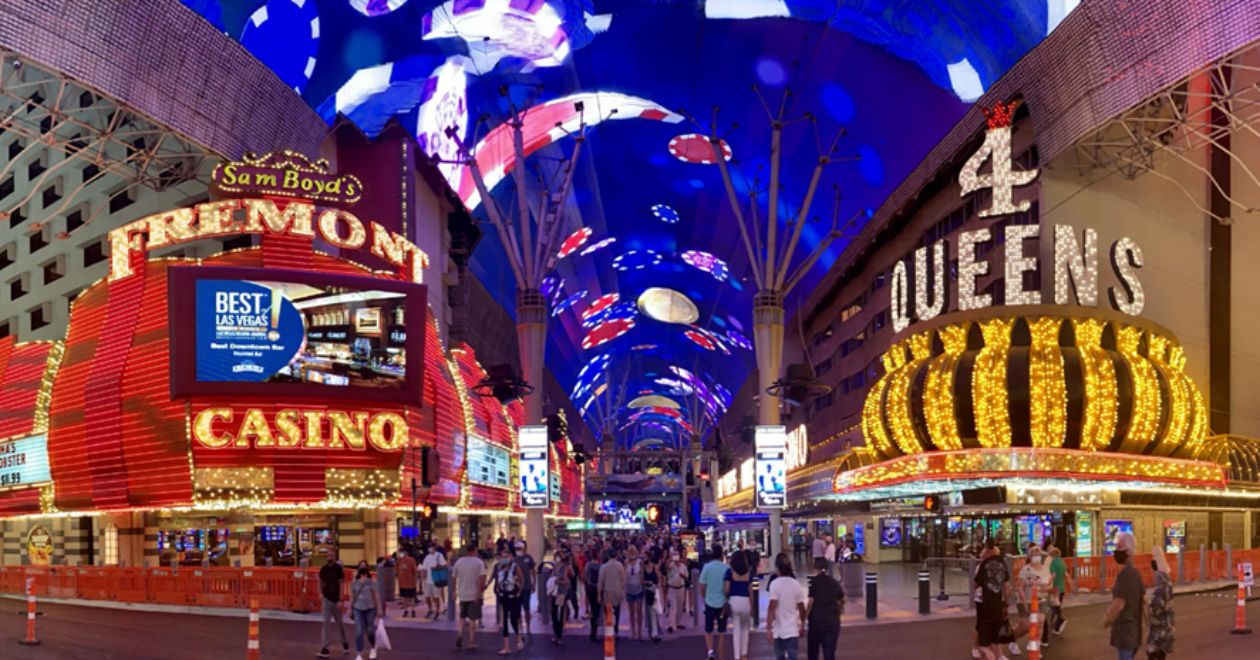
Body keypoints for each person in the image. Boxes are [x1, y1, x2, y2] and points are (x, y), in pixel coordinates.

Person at [1103, 531, 1144, 660]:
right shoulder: (1136, 574)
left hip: (1125, 632)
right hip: (1134, 633)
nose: (1116, 551)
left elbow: (1118, 604)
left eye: (1119, 548)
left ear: (1129, 551)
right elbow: (1144, 600)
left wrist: (1106, 620)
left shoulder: (1125, 575)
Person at [973, 540, 1013, 660]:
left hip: (984, 603)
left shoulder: (983, 565)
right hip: (997, 603)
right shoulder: (1001, 564)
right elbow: (1006, 586)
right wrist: (1006, 603)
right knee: (994, 631)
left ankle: (987, 651)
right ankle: (997, 654)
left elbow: (975, 584)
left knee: (984, 638)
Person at [766, 554, 806, 660]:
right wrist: (802, 625)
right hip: (792, 629)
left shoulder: (774, 584)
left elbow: (771, 607)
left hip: (778, 630)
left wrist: (769, 628)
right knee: (793, 656)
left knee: (779, 656)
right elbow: (801, 608)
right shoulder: (796, 584)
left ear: (777, 568)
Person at [489, 546, 526, 655]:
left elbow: (522, 581)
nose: (504, 558)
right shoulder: (498, 567)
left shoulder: (515, 567)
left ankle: (518, 636)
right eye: (503, 557)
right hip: (503, 596)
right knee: (505, 620)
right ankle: (506, 646)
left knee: (513, 618)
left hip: (514, 597)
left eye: (506, 556)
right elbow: (494, 578)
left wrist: (519, 592)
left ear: (510, 557)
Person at [1016, 546, 1053, 651]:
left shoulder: (1045, 569)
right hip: (1027, 601)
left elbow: (1050, 584)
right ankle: (1012, 639)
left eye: (1038, 555)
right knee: (1025, 627)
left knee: (1040, 622)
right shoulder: (1025, 570)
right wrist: (1024, 602)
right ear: (1030, 556)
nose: (1036, 557)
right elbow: (1020, 587)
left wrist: (1044, 589)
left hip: (1041, 600)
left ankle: (1035, 646)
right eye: (1034, 555)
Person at [805, 557, 843, 660]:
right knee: (829, 653)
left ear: (816, 569)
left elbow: (810, 603)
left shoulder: (814, 583)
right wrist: (839, 610)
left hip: (816, 622)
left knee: (813, 652)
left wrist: (805, 616)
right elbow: (842, 598)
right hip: (832, 621)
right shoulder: (834, 582)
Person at [699, 545, 731, 660]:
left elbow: (701, 586)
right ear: (722, 555)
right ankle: (721, 656)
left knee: (708, 629)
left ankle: (710, 652)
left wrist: (705, 598)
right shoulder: (726, 568)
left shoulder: (707, 567)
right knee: (722, 631)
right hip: (722, 603)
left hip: (710, 602)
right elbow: (728, 587)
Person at [452, 544, 487, 651]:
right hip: (473, 595)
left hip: (463, 594)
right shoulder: (479, 562)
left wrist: (454, 591)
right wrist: (479, 592)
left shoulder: (459, 562)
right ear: (475, 551)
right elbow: (482, 578)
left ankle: (459, 634)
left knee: (462, 616)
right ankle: (471, 641)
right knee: (472, 619)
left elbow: (453, 577)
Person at [317, 551, 350, 658]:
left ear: (335, 557)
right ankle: (325, 648)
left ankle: (345, 643)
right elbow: (320, 582)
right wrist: (320, 593)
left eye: (331, 555)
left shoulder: (338, 569)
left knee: (340, 624)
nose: (329, 557)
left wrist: (341, 599)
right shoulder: (324, 569)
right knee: (325, 624)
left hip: (336, 600)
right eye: (328, 556)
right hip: (326, 600)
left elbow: (341, 584)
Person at [350, 560, 383, 660]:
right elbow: (353, 595)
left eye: (364, 566)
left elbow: (376, 595)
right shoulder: (355, 580)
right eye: (361, 566)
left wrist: (379, 609)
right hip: (358, 608)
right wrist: (350, 608)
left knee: (369, 630)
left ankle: (373, 647)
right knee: (359, 631)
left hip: (370, 608)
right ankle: (359, 654)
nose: (362, 568)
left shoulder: (372, 580)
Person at [1147, 546, 1175, 660]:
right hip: (1168, 630)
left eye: (1153, 558)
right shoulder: (1168, 583)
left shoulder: (1160, 586)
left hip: (1159, 633)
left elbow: (1157, 608)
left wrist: (1147, 608)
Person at [728, 547, 754, 660]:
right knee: (745, 629)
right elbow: (751, 591)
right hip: (745, 602)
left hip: (734, 601)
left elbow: (726, 589)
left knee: (736, 630)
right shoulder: (748, 574)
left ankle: (737, 656)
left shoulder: (729, 572)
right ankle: (744, 654)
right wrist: (752, 606)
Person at [598, 548, 627, 641]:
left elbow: (600, 582)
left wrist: (599, 595)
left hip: (607, 593)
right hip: (617, 592)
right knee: (617, 612)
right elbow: (623, 580)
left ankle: (609, 630)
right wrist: (623, 591)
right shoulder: (620, 566)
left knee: (608, 613)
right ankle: (616, 630)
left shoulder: (604, 567)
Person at [550, 551, 576, 644]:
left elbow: (567, 581)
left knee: (559, 613)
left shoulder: (565, 567)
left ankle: (559, 634)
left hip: (561, 593)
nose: (556, 559)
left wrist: (558, 582)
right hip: (554, 592)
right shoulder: (554, 568)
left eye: (558, 557)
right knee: (553, 612)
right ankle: (556, 633)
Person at [514, 541, 536, 638]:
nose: (518, 551)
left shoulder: (528, 558)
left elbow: (533, 570)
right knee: (517, 609)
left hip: (526, 587)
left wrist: (534, 583)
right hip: (517, 588)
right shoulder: (514, 560)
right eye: (516, 549)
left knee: (526, 608)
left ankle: (528, 626)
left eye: (519, 549)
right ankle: (520, 628)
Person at [421, 542, 449, 620]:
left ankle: (437, 610)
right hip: (428, 580)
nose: (430, 549)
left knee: (436, 596)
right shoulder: (427, 557)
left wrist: (437, 567)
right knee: (427, 596)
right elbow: (424, 568)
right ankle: (430, 609)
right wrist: (423, 578)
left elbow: (444, 565)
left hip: (436, 579)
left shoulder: (439, 555)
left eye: (431, 547)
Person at [1047, 546, 1070, 636]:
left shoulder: (1053, 563)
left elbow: (1053, 575)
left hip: (1055, 588)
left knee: (1054, 607)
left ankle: (1060, 620)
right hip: (1062, 587)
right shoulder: (1062, 562)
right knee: (1057, 606)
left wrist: (1048, 583)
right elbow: (1065, 575)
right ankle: (1055, 625)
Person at [625, 545, 645, 640]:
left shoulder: (639, 562)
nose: (632, 552)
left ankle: (639, 631)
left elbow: (642, 574)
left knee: (639, 610)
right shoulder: (626, 563)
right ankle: (633, 630)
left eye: (633, 551)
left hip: (638, 588)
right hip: (629, 589)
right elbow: (624, 576)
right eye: (630, 551)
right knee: (631, 611)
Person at [642, 547, 663, 643]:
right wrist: (647, 582)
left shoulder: (655, 567)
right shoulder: (643, 568)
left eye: (645, 557)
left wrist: (657, 587)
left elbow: (659, 579)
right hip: (647, 591)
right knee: (650, 612)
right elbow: (641, 580)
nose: (644, 559)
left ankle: (654, 633)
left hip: (654, 591)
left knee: (653, 612)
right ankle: (653, 632)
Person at [666, 550, 688, 633]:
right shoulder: (671, 565)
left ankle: (679, 622)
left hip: (681, 588)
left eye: (677, 556)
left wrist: (683, 576)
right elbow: (667, 567)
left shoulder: (683, 567)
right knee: (673, 607)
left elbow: (686, 577)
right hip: (672, 588)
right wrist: (670, 558)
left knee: (679, 607)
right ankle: (671, 624)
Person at [585, 549, 603, 641]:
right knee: (597, 609)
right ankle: (594, 629)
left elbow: (585, 576)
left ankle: (593, 629)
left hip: (590, 588)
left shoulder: (588, 565)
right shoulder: (600, 566)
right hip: (598, 589)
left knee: (592, 609)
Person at [396, 549, 418, 618]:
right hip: (402, 583)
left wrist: (415, 578)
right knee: (404, 598)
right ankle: (406, 610)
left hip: (410, 583)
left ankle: (413, 611)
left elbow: (415, 571)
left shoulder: (411, 560)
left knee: (411, 598)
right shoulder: (399, 561)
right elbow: (396, 570)